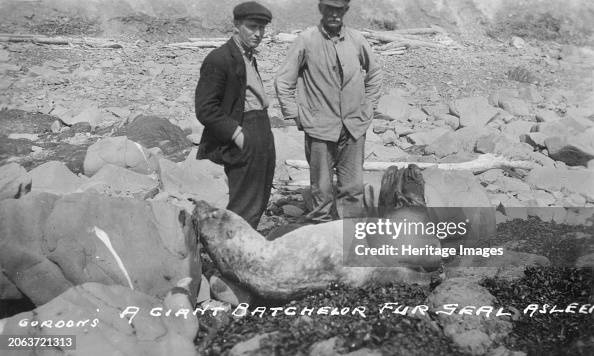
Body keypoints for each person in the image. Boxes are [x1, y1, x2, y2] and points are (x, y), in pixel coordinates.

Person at [275, 0, 382, 223]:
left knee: (352, 189)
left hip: (354, 128)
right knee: (321, 191)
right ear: (322, 10)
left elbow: (375, 74)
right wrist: (295, 115)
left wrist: (368, 106)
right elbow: (284, 81)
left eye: (339, 10)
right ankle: (322, 238)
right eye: (329, 9)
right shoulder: (307, 40)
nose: (334, 14)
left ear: (345, 11)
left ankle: (351, 241)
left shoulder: (356, 39)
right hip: (320, 129)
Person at [195, 1, 275, 229]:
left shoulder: (247, 56)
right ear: (236, 26)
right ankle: (229, 254)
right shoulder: (219, 59)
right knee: (243, 203)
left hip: (261, 128)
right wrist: (236, 133)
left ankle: (246, 248)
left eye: (262, 28)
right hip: (243, 131)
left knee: (260, 196)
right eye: (252, 27)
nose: (258, 34)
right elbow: (205, 108)